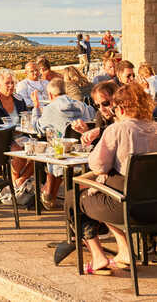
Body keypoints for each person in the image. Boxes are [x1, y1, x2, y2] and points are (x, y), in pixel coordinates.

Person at [66, 83, 157, 274]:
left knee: (74, 197)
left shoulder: (118, 130)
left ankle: (98, 257)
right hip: (152, 207)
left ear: (121, 108)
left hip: (126, 207)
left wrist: (104, 173)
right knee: (102, 190)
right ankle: (124, 251)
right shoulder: (155, 127)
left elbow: (97, 165)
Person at [30, 78, 95, 209]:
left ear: (50, 95)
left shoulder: (50, 109)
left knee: (50, 150)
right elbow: (92, 117)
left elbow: (37, 128)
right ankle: (50, 195)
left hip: (62, 156)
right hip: (83, 156)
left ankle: (48, 193)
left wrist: (36, 108)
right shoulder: (82, 105)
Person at [0, 68, 30, 187]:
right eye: (7, 83)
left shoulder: (19, 99)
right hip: (1, 139)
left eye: (12, 83)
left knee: (39, 150)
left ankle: (19, 182)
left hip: (20, 136)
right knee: (18, 151)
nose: (11, 86)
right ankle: (17, 186)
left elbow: (26, 118)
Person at [71, 81, 118, 147]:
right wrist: (86, 132)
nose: (102, 109)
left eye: (105, 103)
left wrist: (99, 131)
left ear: (117, 100)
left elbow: (122, 130)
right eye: (97, 106)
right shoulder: (100, 114)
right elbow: (99, 144)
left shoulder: (126, 114)